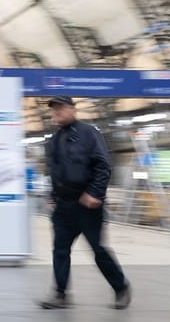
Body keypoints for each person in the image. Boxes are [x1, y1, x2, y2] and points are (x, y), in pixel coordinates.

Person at [39, 95, 131, 310]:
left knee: (98, 250)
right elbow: (53, 172)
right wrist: (52, 197)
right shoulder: (53, 140)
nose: (57, 112)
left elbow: (103, 166)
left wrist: (95, 193)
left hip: (86, 205)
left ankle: (121, 287)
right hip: (63, 206)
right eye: (54, 109)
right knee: (60, 250)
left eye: (61, 108)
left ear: (73, 109)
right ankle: (60, 295)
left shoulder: (89, 134)